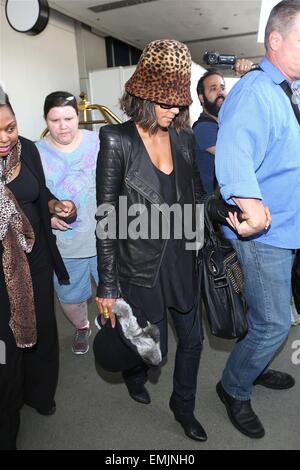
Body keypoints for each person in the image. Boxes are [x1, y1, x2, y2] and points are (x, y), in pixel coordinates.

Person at [95, 39, 248, 442]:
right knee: (151, 344)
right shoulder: (116, 140)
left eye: (178, 103)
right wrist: (108, 286)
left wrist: (218, 209)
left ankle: (183, 407)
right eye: (164, 102)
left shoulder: (181, 138)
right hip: (140, 265)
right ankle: (134, 372)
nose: (173, 110)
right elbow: (107, 219)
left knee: (193, 341)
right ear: (143, 94)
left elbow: (195, 196)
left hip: (182, 259)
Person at [214, 0, 300, 439]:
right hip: (266, 233)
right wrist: (249, 206)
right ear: (276, 40)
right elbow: (233, 156)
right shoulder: (256, 90)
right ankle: (233, 387)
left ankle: (254, 364)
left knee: (262, 316)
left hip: (288, 225)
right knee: (274, 324)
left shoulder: (289, 88)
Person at [0, 90, 76, 450]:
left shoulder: (26, 149)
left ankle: (40, 395)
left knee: (44, 329)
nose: (5, 138)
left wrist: (53, 204)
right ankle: (8, 413)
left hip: (37, 258)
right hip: (3, 273)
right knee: (7, 347)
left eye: (10, 127)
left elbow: (38, 190)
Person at [36, 92, 100, 355]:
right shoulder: (35, 152)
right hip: (65, 245)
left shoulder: (99, 141)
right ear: (45, 120)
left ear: (79, 116)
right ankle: (82, 325)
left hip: (105, 236)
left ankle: (109, 323)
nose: (63, 126)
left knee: (115, 291)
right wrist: (48, 216)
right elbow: (32, 195)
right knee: (71, 297)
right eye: (55, 119)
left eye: (69, 118)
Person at [193, 59, 253, 195]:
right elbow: (237, 156)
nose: (220, 93)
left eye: (222, 87)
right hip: (212, 210)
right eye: (213, 89)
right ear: (202, 98)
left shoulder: (223, 125)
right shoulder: (203, 128)